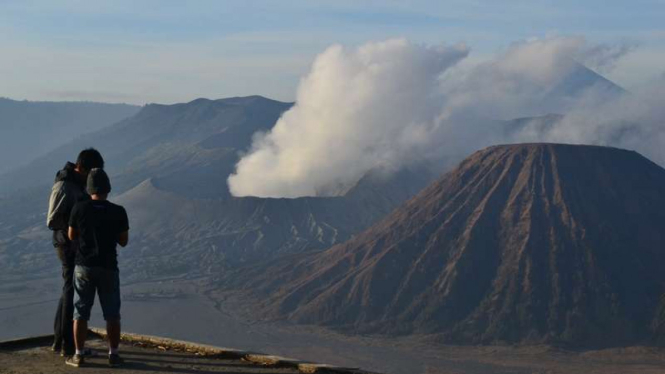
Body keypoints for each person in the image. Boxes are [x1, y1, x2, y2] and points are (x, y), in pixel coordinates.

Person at [66, 168, 129, 368]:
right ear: (108, 189)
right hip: (108, 267)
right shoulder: (118, 211)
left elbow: (71, 235)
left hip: (84, 266)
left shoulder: (79, 208)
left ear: (89, 188)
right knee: (112, 313)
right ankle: (114, 354)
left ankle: (78, 354)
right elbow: (123, 241)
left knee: (80, 312)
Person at [47, 148, 104, 357]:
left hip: (72, 243)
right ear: (81, 168)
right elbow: (52, 220)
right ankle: (68, 346)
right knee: (71, 290)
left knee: (68, 288)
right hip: (66, 244)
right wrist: (75, 226)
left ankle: (58, 340)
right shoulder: (63, 186)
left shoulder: (76, 183)